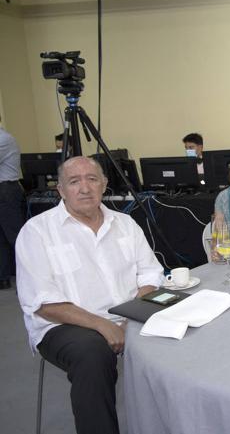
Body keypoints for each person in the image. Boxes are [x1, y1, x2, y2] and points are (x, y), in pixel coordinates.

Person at [16, 156, 164, 434]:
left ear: (104, 185)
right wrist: (103, 325)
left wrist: (130, 317)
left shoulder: (126, 224)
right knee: (93, 354)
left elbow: (150, 275)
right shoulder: (36, 232)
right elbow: (44, 302)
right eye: (74, 181)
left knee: (182, 330)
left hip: (128, 315)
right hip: (65, 325)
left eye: (92, 179)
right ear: (60, 189)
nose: (84, 188)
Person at [0, 116, 25, 290]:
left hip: (6, 190)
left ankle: (30, 277)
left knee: (15, 237)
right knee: (1, 238)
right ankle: (2, 277)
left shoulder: (3, 139)